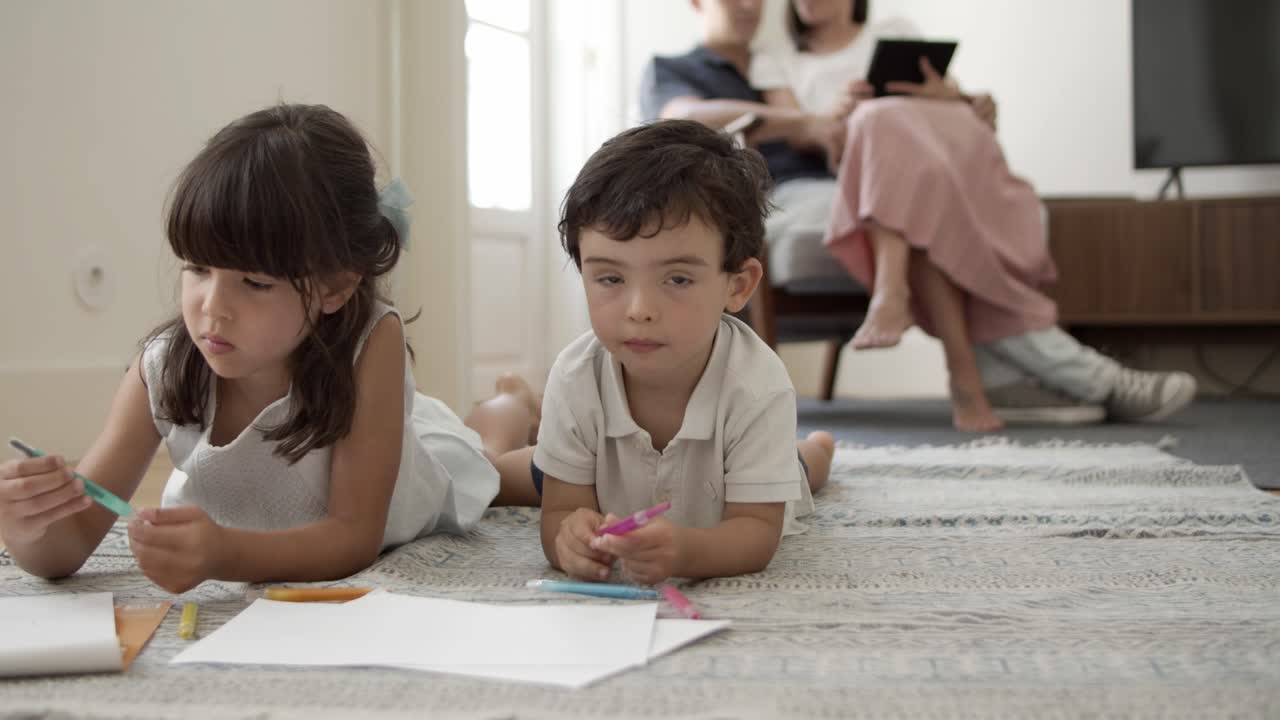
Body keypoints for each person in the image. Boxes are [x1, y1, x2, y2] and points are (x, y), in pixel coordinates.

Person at [0, 103, 541, 593]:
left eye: (254, 283)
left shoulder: (372, 341)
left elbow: (352, 537)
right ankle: (508, 401)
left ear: (335, 287)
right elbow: (65, 548)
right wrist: (28, 526)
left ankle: (514, 401)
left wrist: (226, 553)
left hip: (404, 473)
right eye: (198, 268)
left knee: (492, 466)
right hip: (352, 447)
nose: (213, 307)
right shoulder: (161, 369)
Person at [641, 0, 1197, 430]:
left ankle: (981, 365)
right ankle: (1070, 376)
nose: (747, 6)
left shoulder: (830, 48)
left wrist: (958, 99)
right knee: (910, 197)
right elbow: (688, 117)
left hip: (871, 180)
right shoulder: (691, 67)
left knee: (911, 190)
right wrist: (808, 122)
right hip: (811, 188)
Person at [537, 119, 835, 585]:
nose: (639, 311)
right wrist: (569, 539)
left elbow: (758, 532)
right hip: (621, 470)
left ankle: (819, 447)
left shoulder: (759, 385)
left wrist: (686, 551)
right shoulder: (576, 376)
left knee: (799, 472)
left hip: (759, 463)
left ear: (738, 287)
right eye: (610, 278)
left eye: (677, 279)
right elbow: (557, 512)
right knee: (517, 474)